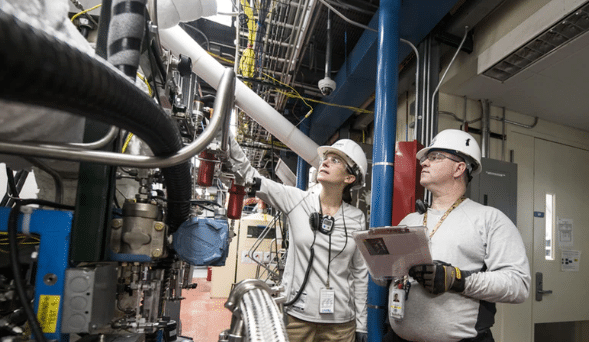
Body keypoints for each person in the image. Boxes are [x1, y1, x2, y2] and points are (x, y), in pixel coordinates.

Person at [386, 129, 531, 342]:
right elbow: (388, 278)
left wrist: (456, 279)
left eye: (434, 157)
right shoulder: (409, 221)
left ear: (459, 168)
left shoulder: (489, 219)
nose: (424, 163)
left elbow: (518, 285)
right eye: (425, 159)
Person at [226, 136, 369, 342]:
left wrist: (361, 324)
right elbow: (250, 176)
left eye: (336, 160)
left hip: (341, 325)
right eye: (326, 158)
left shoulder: (356, 218)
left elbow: (359, 273)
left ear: (350, 178)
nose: (325, 162)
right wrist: (225, 136)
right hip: (297, 319)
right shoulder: (296, 200)